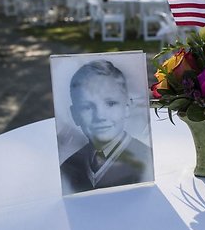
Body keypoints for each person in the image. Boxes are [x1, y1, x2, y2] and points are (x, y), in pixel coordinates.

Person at [60, 59, 153, 195]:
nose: (100, 116)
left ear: (127, 107)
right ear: (75, 115)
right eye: (87, 107)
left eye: (110, 103)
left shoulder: (146, 163)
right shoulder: (68, 167)